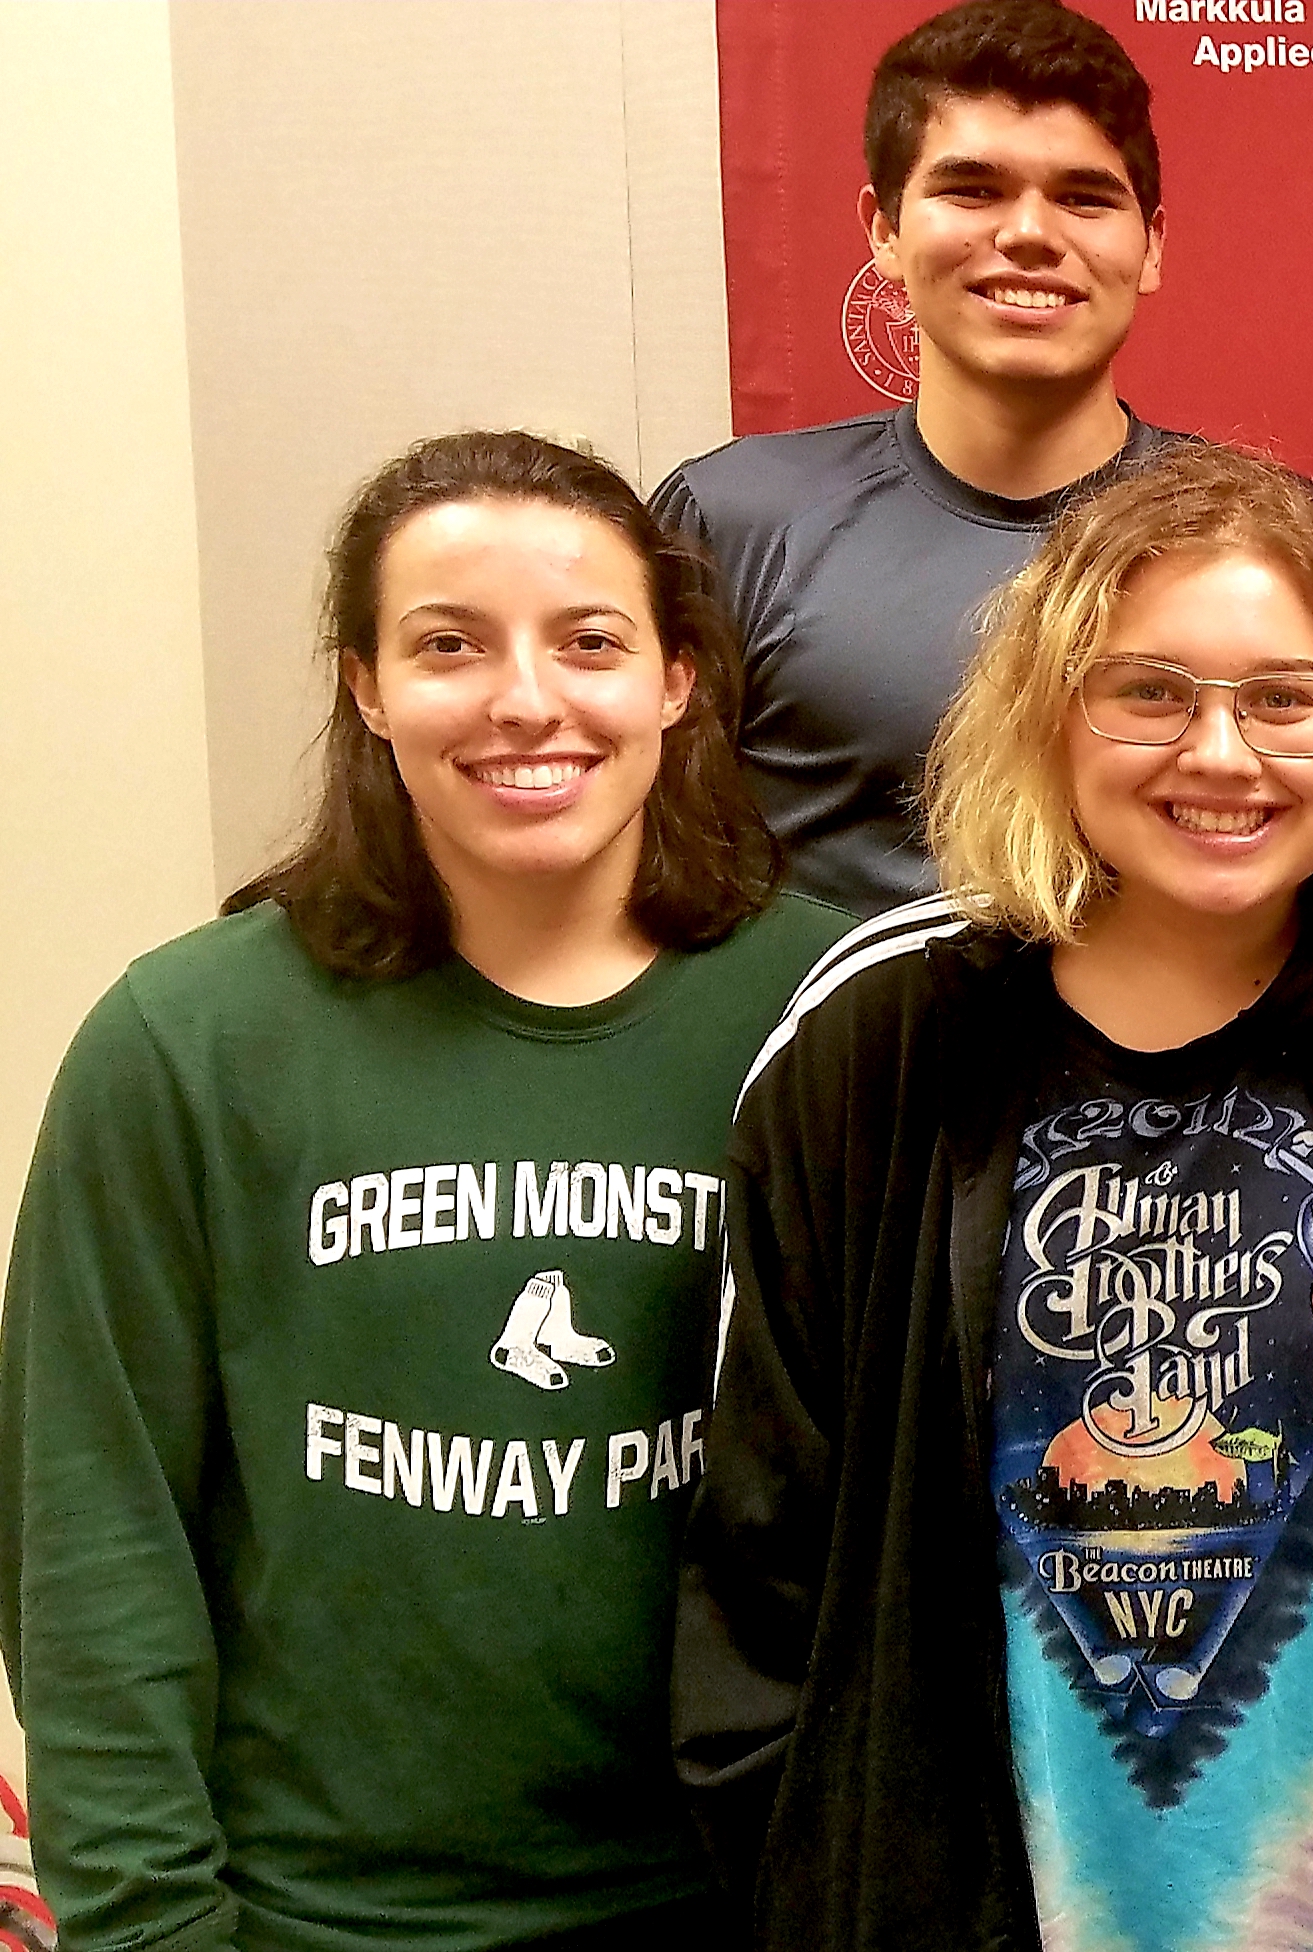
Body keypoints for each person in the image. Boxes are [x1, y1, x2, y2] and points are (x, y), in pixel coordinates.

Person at [671, 441, 1313, 1951]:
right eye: (1149, 692)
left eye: (1284, 698)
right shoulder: (873, 1036)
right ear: (1048, 713)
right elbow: (760, 1547)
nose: (1220, 753)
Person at [0, 430, 852, 1951]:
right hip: (322, 1917)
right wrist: (144, 1925)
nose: (525, 699)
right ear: (368, 687)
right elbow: (91, 1534)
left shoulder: (825, 1014)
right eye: (449, 645)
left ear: (676, 680)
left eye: (589, 642)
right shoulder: (188, 1041)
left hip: (737, 1898)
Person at [655, 0, 1184, 915]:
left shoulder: (1259, 540)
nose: (1030, 233)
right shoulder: (732, 522)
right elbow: (640, 867)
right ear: (884, 231)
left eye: (1084, 197)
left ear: (1151, 246)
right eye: (972, 190)